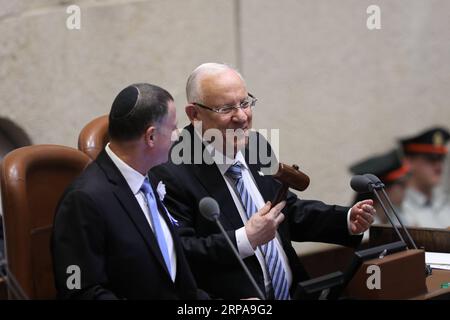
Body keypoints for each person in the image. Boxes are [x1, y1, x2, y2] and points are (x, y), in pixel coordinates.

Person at [151, 63, 375, 300]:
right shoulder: (170, 169)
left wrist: (346, 219)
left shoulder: (256, 146)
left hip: (297, 293)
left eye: (245, 103)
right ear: (194, 114)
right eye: (226, 108)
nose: (241, 116)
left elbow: (285, 210)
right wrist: (246, 238)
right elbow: (181, 252)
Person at [51, 83, 209, 299]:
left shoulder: (150, 177)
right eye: (173, 128)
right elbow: (79, 291)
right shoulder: (83, 200)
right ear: (151, 137)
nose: (177, 135)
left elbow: (175, 280)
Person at [400, 127, 450, 228]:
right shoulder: (399, 209)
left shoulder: (445, 202)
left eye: (441, 158)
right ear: (408, 161)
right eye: (431, 159)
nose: (438, 166)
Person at [349, 149, 411, 225]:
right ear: (380, 189)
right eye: (402, 184)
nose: (407, 188)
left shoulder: (399, 217)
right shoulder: (359, 224)